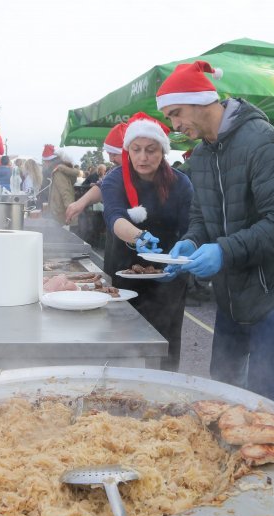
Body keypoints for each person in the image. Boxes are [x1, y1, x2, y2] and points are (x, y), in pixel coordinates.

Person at [157, 60, 274, 406]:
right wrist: (191, 241)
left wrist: (223, 251)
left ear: (202, 99)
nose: (174, 125)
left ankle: (272, 454)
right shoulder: (203, 154)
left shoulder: (261, 140)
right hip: (230, 286)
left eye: (176, 113)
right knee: (223, 382)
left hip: (272, 285)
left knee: (264, 389)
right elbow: (201, 216)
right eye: (169, 118)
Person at [100, 112, 193, 372]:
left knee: (165, 345)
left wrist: (181, 259)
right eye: (136, 150)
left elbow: (191, 228)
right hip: (123, 271)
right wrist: (139, 236)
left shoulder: (181, 183)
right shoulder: (114, 179)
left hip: (169, 274)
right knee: (122, 343)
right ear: (127, 150)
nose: (143, 157)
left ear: (162, 151)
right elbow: (113, 216)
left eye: (151, 150)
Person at [64, 123, 127, 224]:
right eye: (109, 154)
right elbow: (103, 185)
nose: (111, 159)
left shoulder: (142, 171)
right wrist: (80, 203)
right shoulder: (117, 171)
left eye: (114, 154)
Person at [49, 149, 81, 225]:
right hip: (62, 211)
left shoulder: (59, 172)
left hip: (60, 213)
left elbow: (66, 192)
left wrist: (70, 215)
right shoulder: (65, 171)